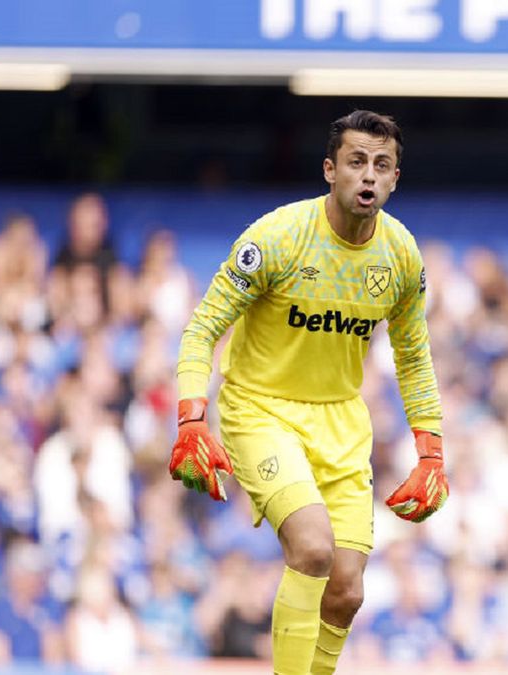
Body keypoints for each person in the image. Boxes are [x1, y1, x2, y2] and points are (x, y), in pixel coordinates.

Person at [170, 110, 449, 675]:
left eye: (382, 165)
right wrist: (192, 418)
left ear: (395, 179)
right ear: (330, 169)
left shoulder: (400, 256)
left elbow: (414, 358)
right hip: (259, 408)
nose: (368, 176)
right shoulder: (277, 237)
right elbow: (203, 328)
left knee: (346, 593)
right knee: (314, 549)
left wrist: (431, 450)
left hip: (342, 422)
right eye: (356, 162)